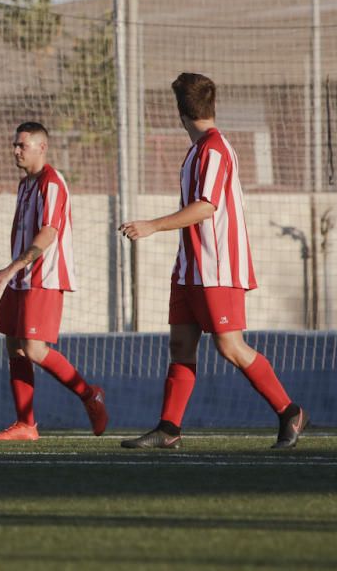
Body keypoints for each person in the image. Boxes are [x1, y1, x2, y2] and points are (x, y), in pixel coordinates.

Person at [119, 73, 307, 450]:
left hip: (217, 266)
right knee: (180, 345)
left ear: (180, 112)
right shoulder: (197, 150)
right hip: (190, 267)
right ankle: (169, 428)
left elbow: (206, 207)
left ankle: (290, 411)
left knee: (230, 347)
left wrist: (152, 226)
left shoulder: (215, 149)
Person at [0, 122, 108, 441]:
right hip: (21, 278)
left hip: (43, 276)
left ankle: (89, 394)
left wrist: (11, 269)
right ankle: (26, 424)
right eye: (14, 145)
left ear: (42, 147)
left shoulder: (52, 183)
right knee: (13, 344)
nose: (15, 150)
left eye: (21, 146)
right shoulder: (25, 184)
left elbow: (49, 232)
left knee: (35, 349)